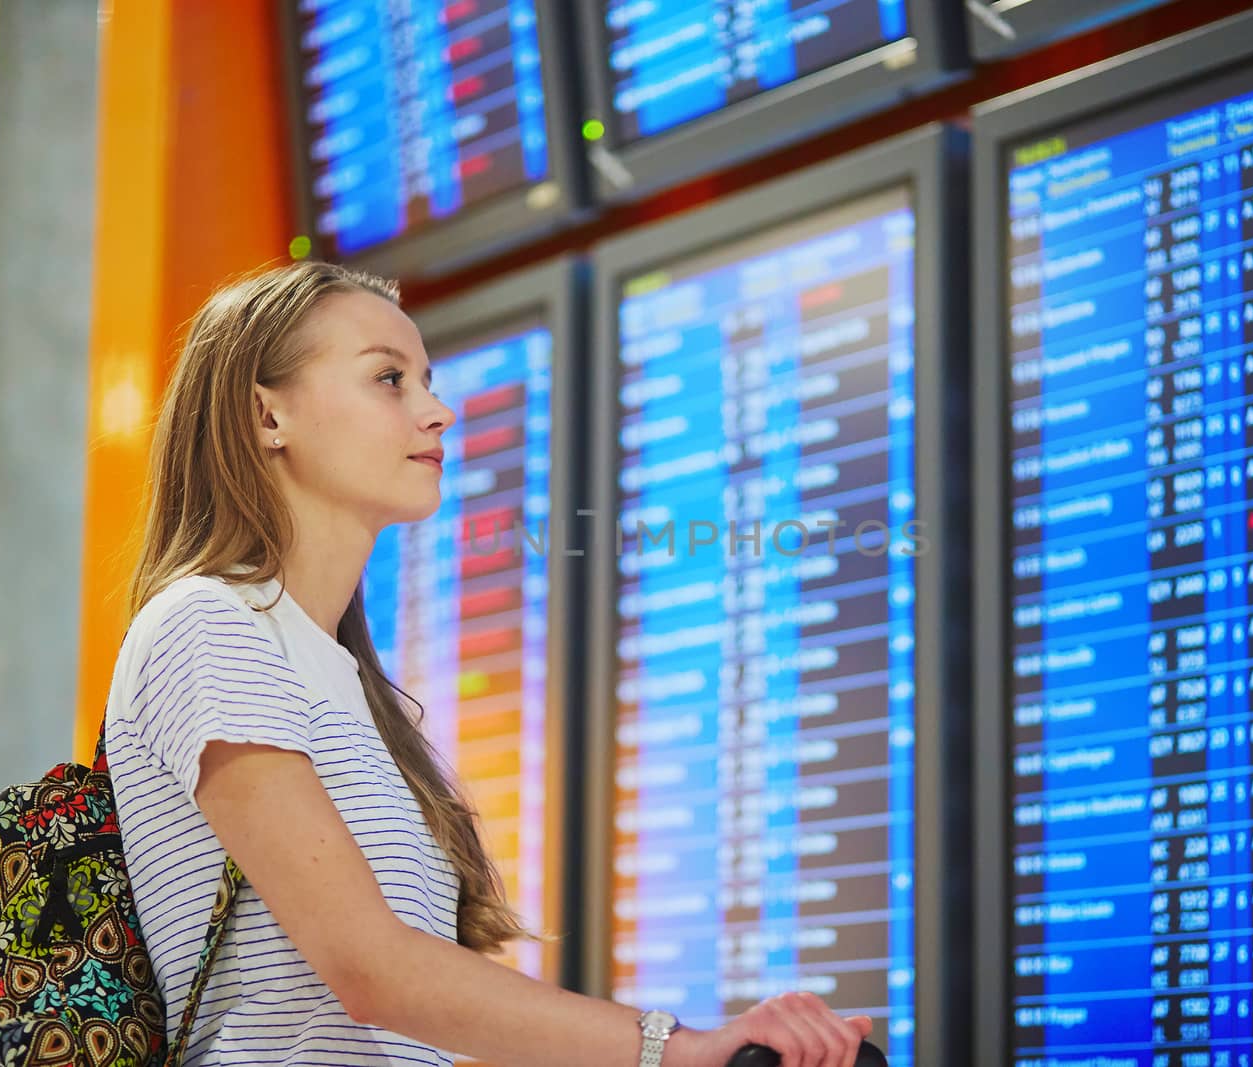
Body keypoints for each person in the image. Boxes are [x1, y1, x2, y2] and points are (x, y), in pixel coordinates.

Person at [101, 260, 874, 1067]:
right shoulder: (207, 624)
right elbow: (374, 974)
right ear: (268, 415)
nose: (438, 411)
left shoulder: (357, 690)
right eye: (389, 379)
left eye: (426, 381)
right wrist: (675, 1050)